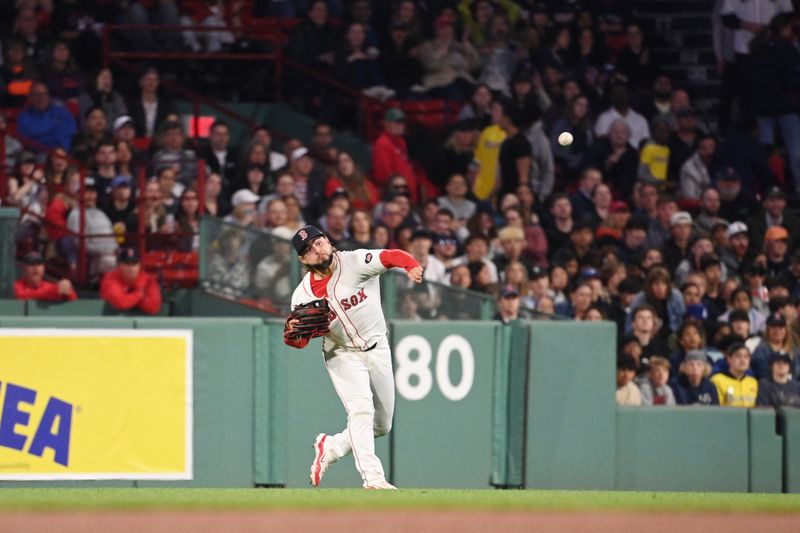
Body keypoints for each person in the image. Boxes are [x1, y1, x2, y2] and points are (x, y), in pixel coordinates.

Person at [284, 224, 422, 490]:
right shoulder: (302, 296)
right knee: (361, 409)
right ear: (303, 259)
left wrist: (411, 264)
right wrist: (293, 335)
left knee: (382, 425)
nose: (317, 249)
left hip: (377, 346)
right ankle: (373, 479)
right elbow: (298, 342)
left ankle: (332, 447)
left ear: (327, 240)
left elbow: (390, 255)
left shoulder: (356, 262)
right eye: (309, 249)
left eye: (319, 242)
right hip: (341, 353)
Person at [100, 247, 163, 315]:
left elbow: (154, 307)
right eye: (127, 263)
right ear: (119, 265)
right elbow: (120, 302)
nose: (131, 268)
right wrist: (139, 295)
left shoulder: (148, 280)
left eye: (134, 263)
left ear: (139, 265)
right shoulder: (111, 279)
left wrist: (130, 297)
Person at [711, 341, 758, 407]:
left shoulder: (753, 382)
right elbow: (716, 409)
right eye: (738, 356)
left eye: (746, 357)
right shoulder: (717, 380)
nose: (743, 360)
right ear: (729, 359)